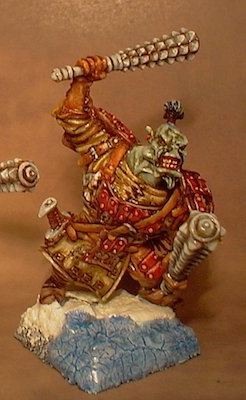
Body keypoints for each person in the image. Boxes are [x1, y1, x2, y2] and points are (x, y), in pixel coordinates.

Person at [39, 56, 214, 307]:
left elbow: (191, 234)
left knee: (153, 276)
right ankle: (56, 283)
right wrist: (82, 82)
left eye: (178, 149)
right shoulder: (109, 152)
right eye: (164, 145)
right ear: (150, 139)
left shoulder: (183, 190)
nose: (171, 154)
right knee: (67, 255)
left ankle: (152, 300)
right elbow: (75, 118)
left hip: (135, 247)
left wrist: (174, 267)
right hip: (91, 231)